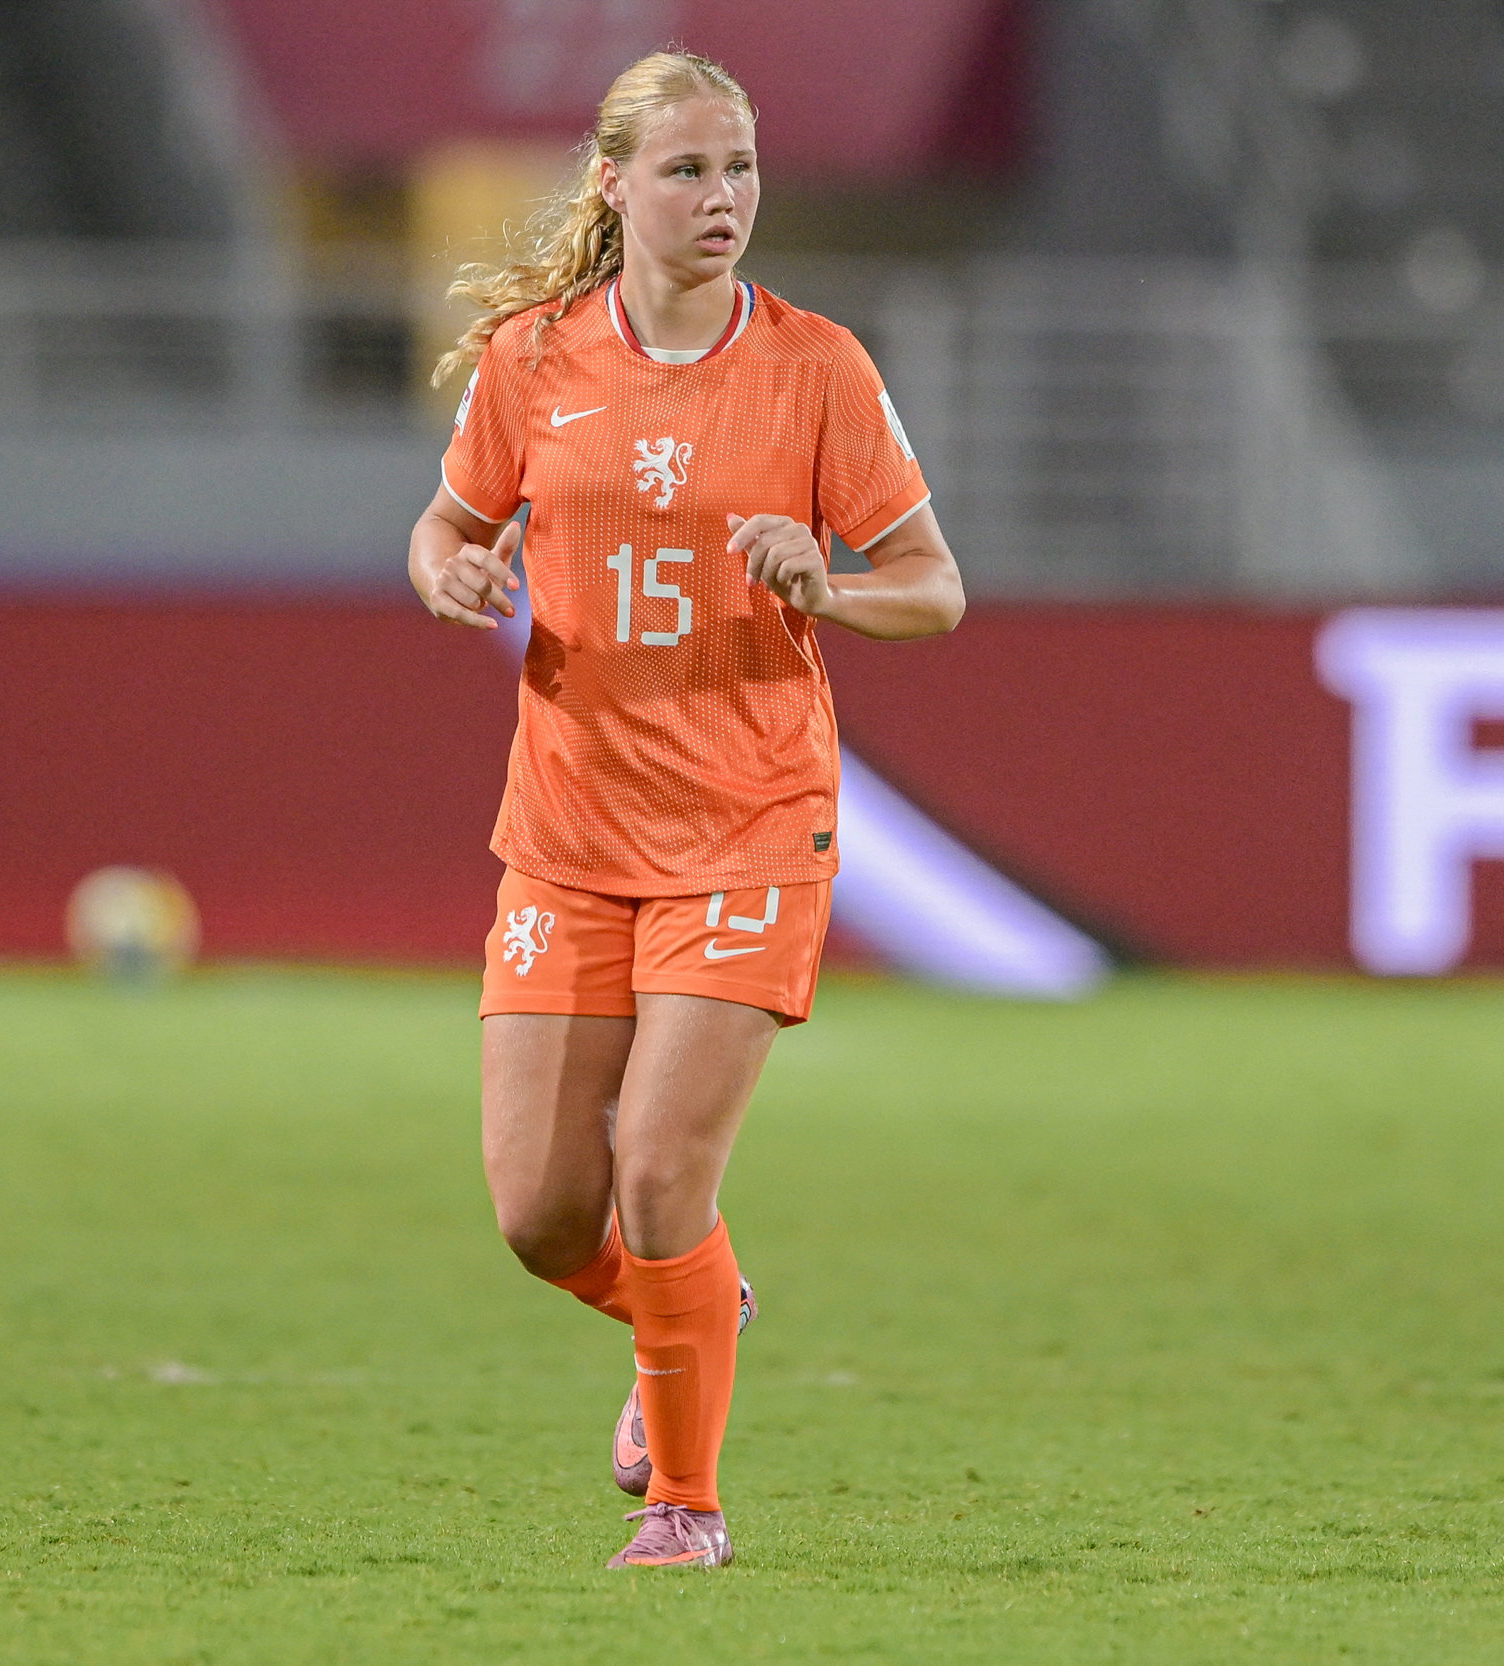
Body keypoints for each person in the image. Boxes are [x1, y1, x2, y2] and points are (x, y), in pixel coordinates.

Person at [405, 49, 964, 1570]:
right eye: (688, 171)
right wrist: (452, 572)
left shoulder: (816, 368)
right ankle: (697, 1299)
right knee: (539, 1210)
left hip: (747, 822)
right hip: (570, 833)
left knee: (659, 1172)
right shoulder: (534, 361)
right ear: (614, 184)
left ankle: (685, 1507)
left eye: (742, 170)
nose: (724, 200)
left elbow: (936, 588)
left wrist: (829, 587)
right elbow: (447, 524)